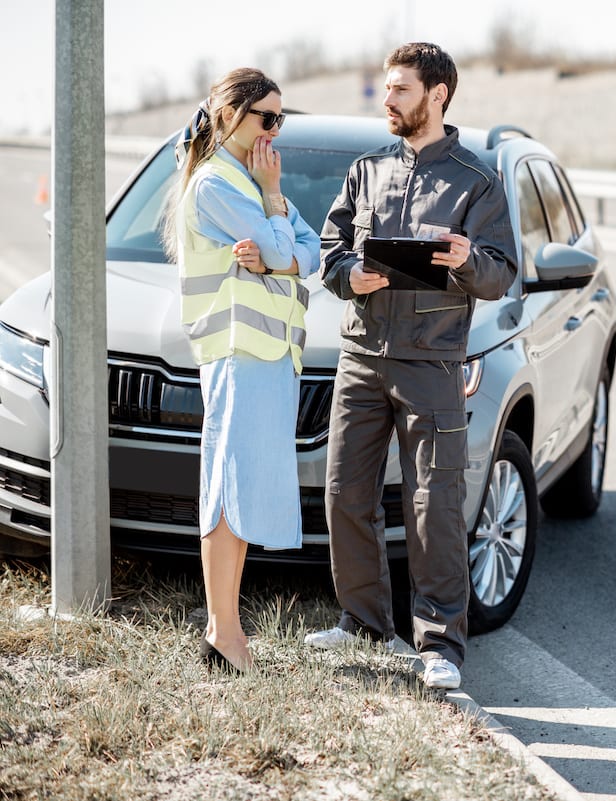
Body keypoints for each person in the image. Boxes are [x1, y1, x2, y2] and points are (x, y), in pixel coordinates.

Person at [306, 43, 517, 690]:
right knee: (344, 491)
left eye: (401, 89)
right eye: (388, 88)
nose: (388, 99)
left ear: (438, 95)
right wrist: (353, 276)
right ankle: (363, 620)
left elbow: (501, 272)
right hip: (362, 356)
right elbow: (330, 249)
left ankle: (440, 644)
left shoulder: (477, 180)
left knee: (435, 506)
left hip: (431, 362)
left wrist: (463, 259)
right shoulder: (366, 170)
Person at [164, 68, 320, 673]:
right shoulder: (218, 186)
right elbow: (289, 249)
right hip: (237, 352)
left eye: (281, 120)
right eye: (266, 118)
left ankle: (225, 631)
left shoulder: (252, 181)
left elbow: (308, 250)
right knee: (228, 488)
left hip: (267, 354)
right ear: (230, 114)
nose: (274, 132)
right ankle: (224, 635)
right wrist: (278, 228)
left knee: (244, 487)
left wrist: (279, 251)